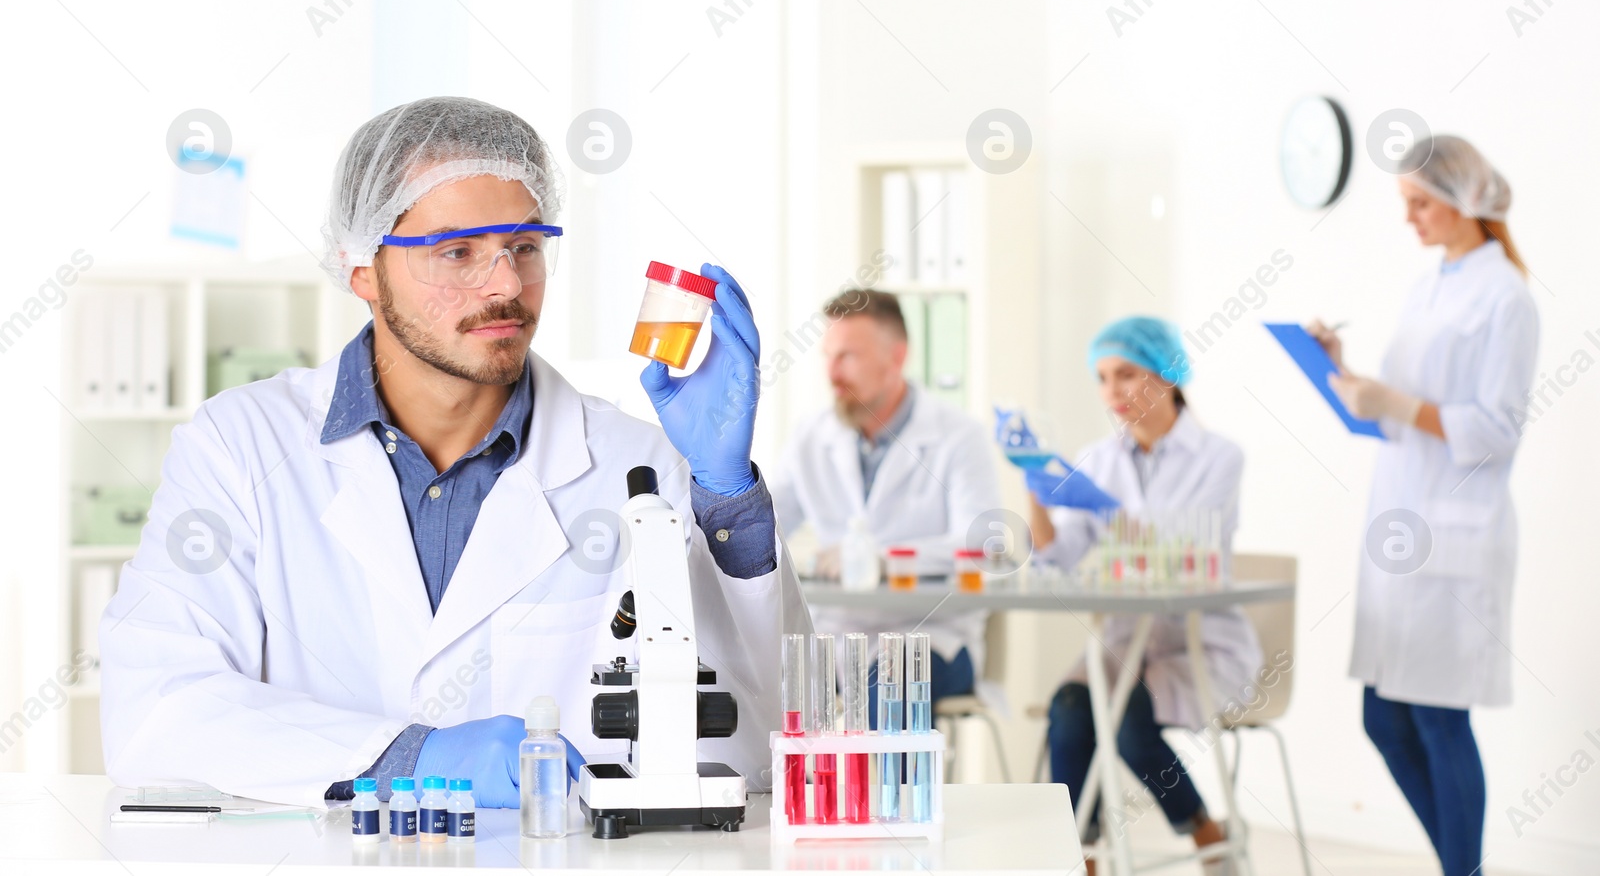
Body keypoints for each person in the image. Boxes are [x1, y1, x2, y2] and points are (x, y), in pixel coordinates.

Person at [98, 96, 807, 808]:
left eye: (525, 246)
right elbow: (155, 709)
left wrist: (728, 496)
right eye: (457, 251)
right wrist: (409, 757)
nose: (505, 285)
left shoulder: (642, 467)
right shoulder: (241, 448)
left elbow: (758, 742)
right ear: (362, 270)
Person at [1308, 135, 1537, 876]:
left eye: (1420, 202)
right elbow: (1401, 410)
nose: (1409, 217)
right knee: (1385, 713)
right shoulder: (1431, 284)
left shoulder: (1506, 296)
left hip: (1456, 534)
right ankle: (1458, 867)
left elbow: (1497, 428)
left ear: (1467, 198)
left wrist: (1399, 404)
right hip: (1403, 528)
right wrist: (1342, 374)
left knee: (1438, 715)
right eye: (1404, 203)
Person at [1025, 317, 1261, 870]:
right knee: (1071, 708)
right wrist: (1035, 490)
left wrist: (1108, 510)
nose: (1113, 393)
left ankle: (1202, 828)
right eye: (1103, 378)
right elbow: (1061, 553)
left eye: (1126, 374)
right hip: (1126, 642)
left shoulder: (1220, 457)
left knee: (1127, 722)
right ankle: (1079, 855)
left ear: (1168, 372)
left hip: (1198, 646)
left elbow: (1180, 548)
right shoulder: (1099, 459)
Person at [771, 289, 1001, 714]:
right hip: (838, 636)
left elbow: (981, 546)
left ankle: (896, 786)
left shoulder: (958, 436)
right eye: (828, 356)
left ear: (896, 357)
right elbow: (764, 526)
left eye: (848, 357)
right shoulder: (811, 436)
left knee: (884, 689)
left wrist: (882, 559)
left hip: (931, 636)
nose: (833, 373)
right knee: (755, 688)